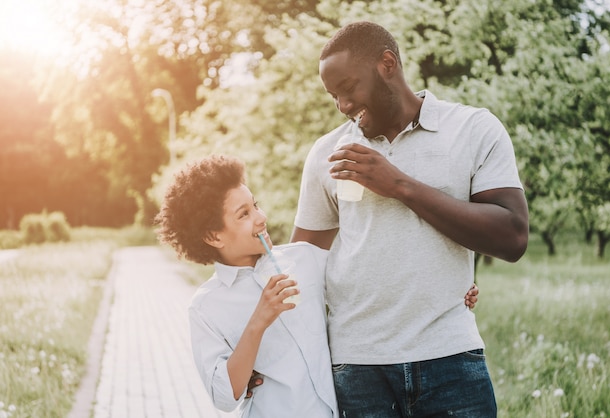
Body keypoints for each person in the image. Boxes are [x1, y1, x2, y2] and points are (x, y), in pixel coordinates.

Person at [291, 21, 529, 417]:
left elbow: (513, 237)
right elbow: (301, 264)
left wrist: (399, 185)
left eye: (349, 88)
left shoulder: (472, 129)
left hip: (451, 358)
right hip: (357, 367)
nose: (343, 106)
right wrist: (265, 356)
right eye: (334, 96)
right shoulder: (327, 153)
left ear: (388, 64)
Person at [154, 155, 338, 417]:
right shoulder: (206, 307)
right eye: (244, 214)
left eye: (255, 205)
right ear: (213, 236)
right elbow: (224, 397)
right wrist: (258, 322)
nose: (261, 218)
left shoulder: (305, 259)